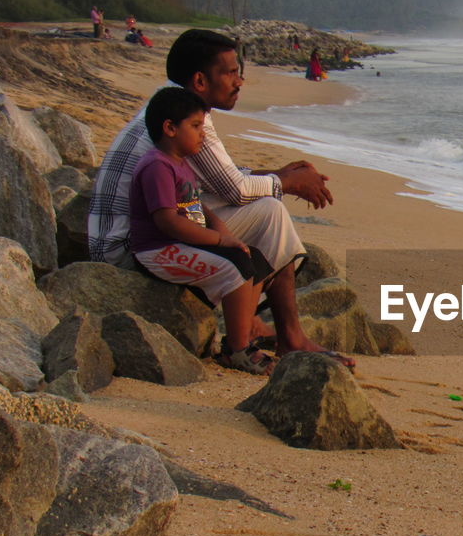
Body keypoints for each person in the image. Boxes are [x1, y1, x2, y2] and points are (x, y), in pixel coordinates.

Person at [89, 28, 352, 364]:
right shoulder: (185, 119)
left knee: (262, 209)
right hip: (130, 247)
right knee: (270, 212)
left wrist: (279, 176)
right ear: (199, 80)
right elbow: (235, 190)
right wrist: (287, 182)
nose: (239, 82)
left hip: (120, 236)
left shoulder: (169, 107)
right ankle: (274, 336)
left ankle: (256, 324)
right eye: (230, 73)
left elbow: (217, 179)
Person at [129, 87, 274, 375]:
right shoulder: (157, 165)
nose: (202, 134)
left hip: (187, 240)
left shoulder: (181, 163)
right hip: (159, 249)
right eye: (195, 126)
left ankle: (242, 335)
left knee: (254, 259)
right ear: (170, 128)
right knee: (235, 269)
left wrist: (223, 232)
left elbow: (196, 205)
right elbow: (168, 221)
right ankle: (236, 350)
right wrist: (218, 239)